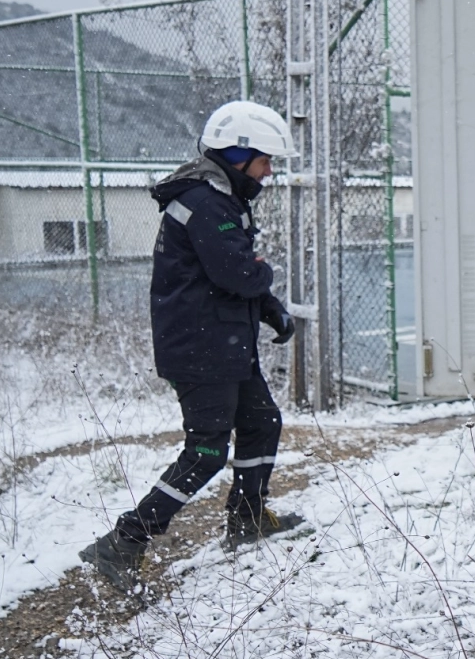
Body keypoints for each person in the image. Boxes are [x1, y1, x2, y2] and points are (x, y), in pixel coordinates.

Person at [80, 101, 306, 591]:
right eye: (265, 160)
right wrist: (262, 276)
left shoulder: (223, 199)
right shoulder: (206, 203)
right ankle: (124, 541)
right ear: (237, 154)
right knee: (206, 451)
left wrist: (269, 307)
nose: (268, 173)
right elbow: (237, 270)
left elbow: (234, 272)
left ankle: (246, 519)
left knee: (262, 423)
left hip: (223, 339)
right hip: (202, 346)